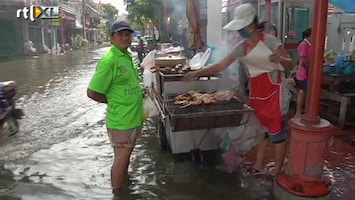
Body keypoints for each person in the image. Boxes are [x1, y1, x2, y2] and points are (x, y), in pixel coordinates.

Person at [184, 3, 294, 179]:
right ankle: (258, 165)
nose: (239, 32)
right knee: (262, 132)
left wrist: (280, 58)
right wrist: (197, 72)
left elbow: (290, 64)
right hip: (257, 95)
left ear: (251, 25)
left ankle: (278, 170)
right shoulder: (242, 47)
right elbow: (221, 65)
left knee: (277, 135)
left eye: (241, 28)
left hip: (275, 95)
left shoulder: (271, 41)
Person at [87, 21, 144, 198]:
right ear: (111, 38)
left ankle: (124, 185)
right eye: (120, 34)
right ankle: (118, 194)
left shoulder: (127, 55)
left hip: (132, 117)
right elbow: (92, 92)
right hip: (121, 120)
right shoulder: (110, 60)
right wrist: (111, 102)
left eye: (127, 34)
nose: (125, 37)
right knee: (121, 158)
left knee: (125, 157)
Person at [295, 28, 312, 117]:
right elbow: (303, 59)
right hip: (303, 74)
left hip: (307, 72)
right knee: (303, 91)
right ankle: (298, 112)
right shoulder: (304, 45)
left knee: (305, 92)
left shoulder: (309, 45)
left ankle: (304, 111)